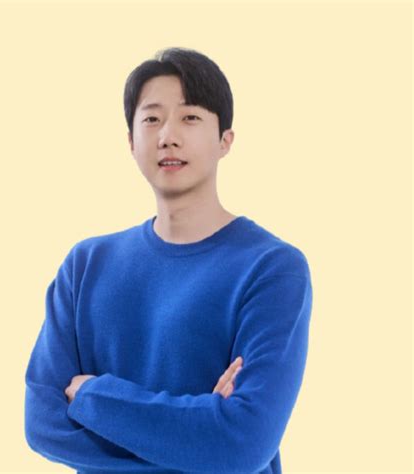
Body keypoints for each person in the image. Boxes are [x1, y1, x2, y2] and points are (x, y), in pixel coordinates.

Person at [24, 47, 313, 474]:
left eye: (190, 117)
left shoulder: (273, 269)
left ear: (225, 140)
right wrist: (199, 436)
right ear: (130, 141)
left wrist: (91, 396)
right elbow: (42, 425)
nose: (168, 136)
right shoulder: (84, 266)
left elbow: (242, 443)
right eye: (152, 119)